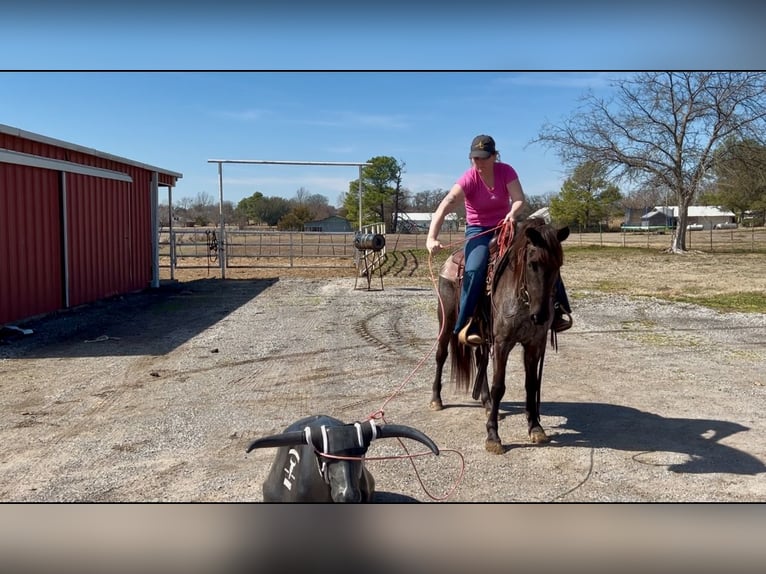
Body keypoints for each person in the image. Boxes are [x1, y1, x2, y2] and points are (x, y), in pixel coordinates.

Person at [426, 134, 572, 346]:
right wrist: (431, 237)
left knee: (543, 256)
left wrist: (513, 213)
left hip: (506, 225)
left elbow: (519, 198)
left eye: (484, 158)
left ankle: (558, 310)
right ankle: (467, 322)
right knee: (474, 269)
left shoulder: (506, 172)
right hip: (478, 231)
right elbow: (446, 204)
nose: (479, 163)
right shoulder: (469, 179)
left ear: (495, 156)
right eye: (475, 158)